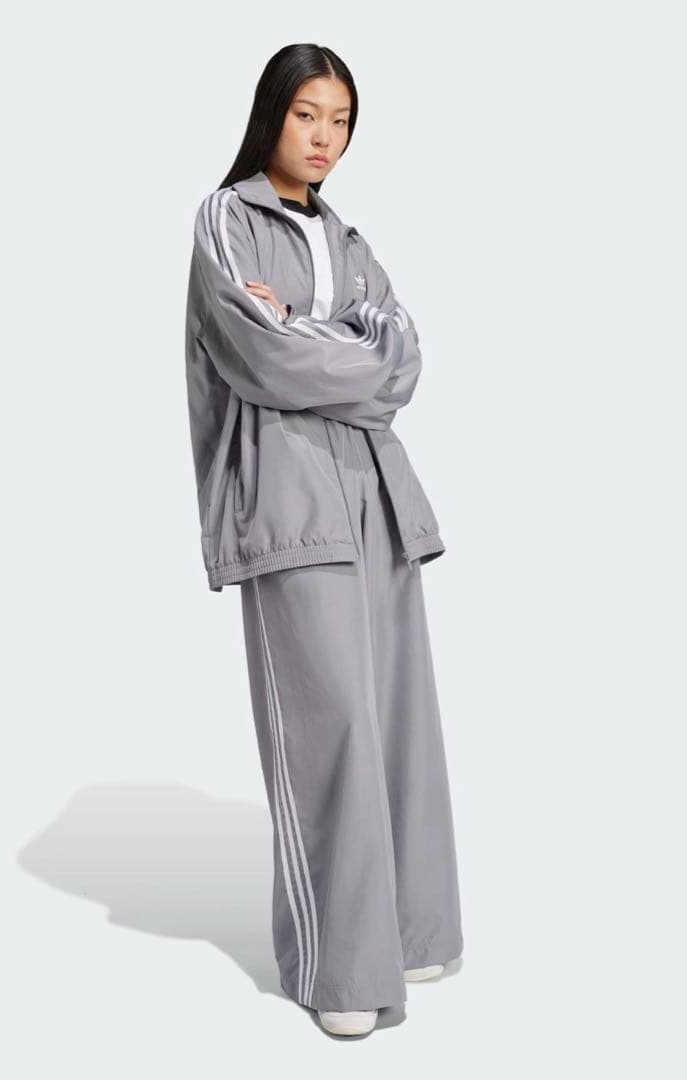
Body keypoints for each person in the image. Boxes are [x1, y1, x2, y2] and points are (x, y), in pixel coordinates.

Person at [184, 43, 463, 1037]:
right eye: (308, 115)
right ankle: (339, 965)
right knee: (329, 731)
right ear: (272, 115)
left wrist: (310, 333)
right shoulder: (226, 219)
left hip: (380, 499)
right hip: (289, 507)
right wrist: (344, 339)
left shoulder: (347, 237)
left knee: (399, 722)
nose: (324, 138)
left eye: (340, 121)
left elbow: (406, 359)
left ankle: (413, 932)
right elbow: (260, 358)